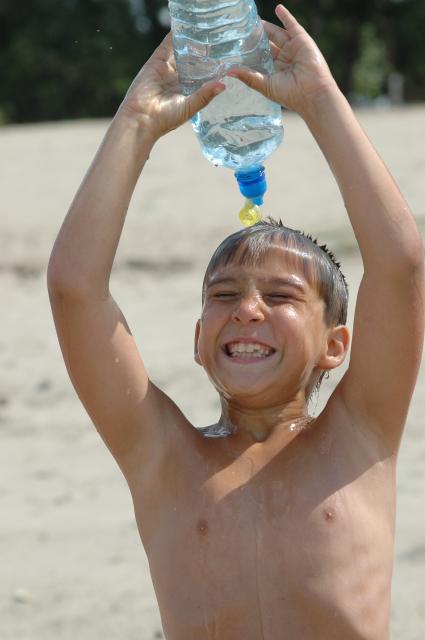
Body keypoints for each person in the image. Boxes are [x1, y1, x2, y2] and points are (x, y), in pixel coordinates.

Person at [47, 4, 424, 639]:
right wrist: (138, 120)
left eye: (280, 296)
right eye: (223, 295)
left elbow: (401, 266)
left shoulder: (359, 437)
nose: (248, 308)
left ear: (336, 346)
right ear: (199, 340)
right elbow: (75, 290)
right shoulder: (163, 457)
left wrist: (321, 100)